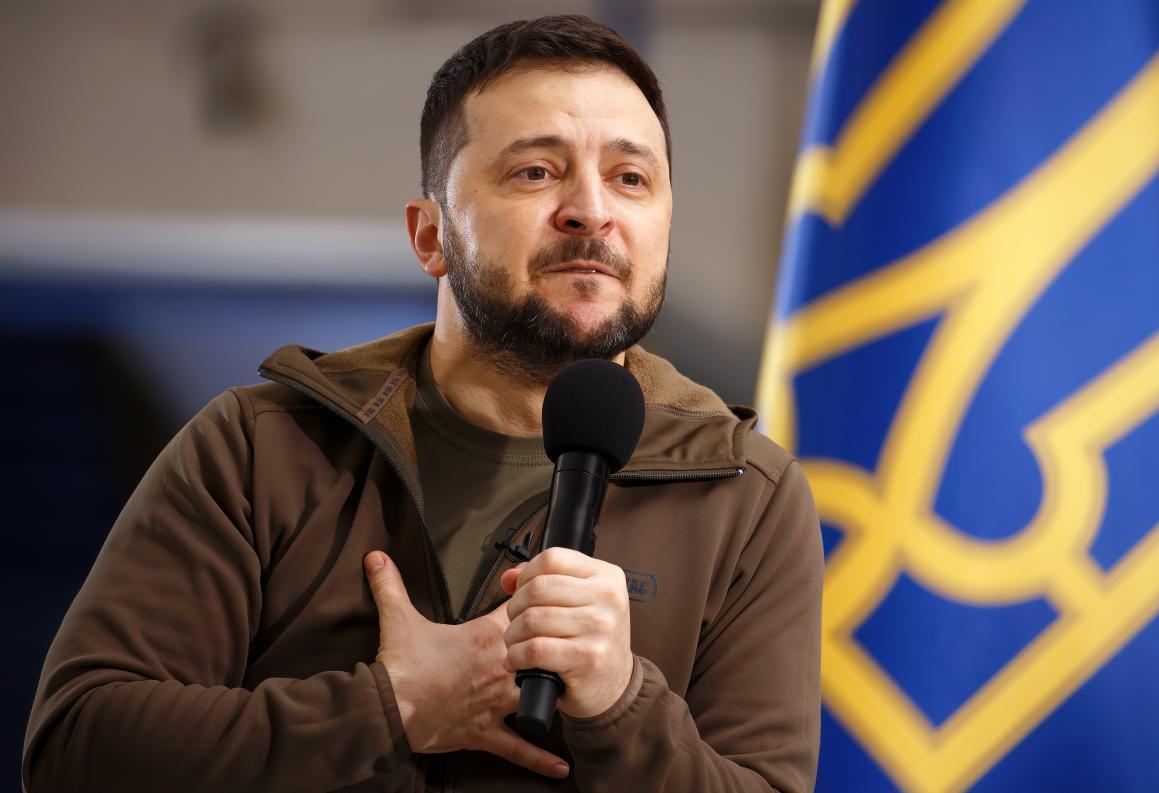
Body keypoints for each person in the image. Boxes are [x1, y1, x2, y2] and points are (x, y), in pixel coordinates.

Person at [22, 14, 822, 793]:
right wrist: (391, 707)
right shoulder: (260, 446)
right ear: (430, 236)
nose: (592, 209)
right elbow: (76, 749)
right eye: (536, 171)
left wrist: (622, 703)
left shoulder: (746, 496)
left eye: (631, 178)